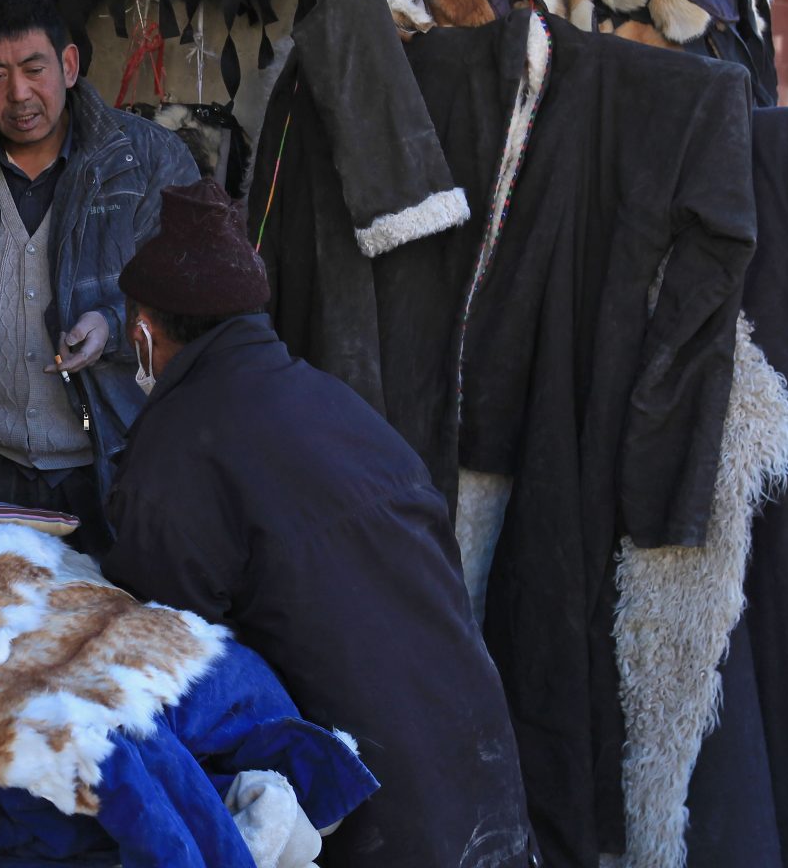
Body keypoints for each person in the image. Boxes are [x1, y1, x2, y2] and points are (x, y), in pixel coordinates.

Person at [104, 179, 533, 868]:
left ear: (143, 330)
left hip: (373, 797)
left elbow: (165, 652)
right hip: (477, 757)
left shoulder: (177, 449)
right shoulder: (331, 401)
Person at [0, 0, 198, 544]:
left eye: (34, 69)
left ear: (69, 65)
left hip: (116, 462)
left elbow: (191, 295)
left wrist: (114, 324)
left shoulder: (146, 161)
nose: (19, 94)